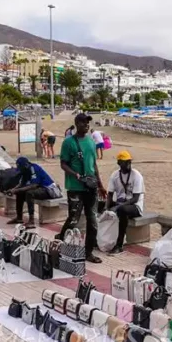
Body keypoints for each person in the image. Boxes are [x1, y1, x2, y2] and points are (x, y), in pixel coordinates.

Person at [58, 113, 105, 264]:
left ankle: (88, 252)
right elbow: (63, 163)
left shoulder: (91, 142)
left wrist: (100, 185)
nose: (87, 125)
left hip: (90, 187)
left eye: (88, 123)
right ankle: (60, 242)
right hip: (75, 187)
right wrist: (75, 175)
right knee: (73, 218)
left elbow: (94, 165)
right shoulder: (68, 143)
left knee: (93, 220)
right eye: (84, 122)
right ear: (77, 123)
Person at [105, 150, 145, 254]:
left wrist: (118, 207)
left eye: (129, 162)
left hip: (134, 206)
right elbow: (109, 194)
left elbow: (135, 198)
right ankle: (100, 238)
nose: (128, 164)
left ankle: (119, 245)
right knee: (97, 204)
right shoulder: (115, 175)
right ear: (119, 163)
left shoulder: (136, 176)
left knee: (122, 211)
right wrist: (106, 208)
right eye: (125, 162)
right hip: (120, 203)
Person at [5, 156, 60, 227]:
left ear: (25, 165)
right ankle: (19, 217)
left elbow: (34, 185)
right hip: (40, 189)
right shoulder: (24, 170)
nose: (20, 170)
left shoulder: (33, 168)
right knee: (19, 193)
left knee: (29, 193)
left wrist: (16, 190)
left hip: (49, 190)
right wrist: (13, 190)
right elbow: (22, 183)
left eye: (21, 168)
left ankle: (31, 220)